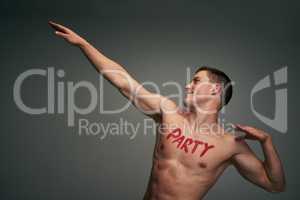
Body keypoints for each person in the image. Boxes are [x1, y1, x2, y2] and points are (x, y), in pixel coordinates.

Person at [48, 21, 286, 200]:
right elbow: (123, 82)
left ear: (215, 90)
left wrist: (267, 141)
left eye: (195, 81)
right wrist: (83, 44)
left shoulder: (230, 145)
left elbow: (275, 185)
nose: (187, 85)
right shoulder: (168, 112)